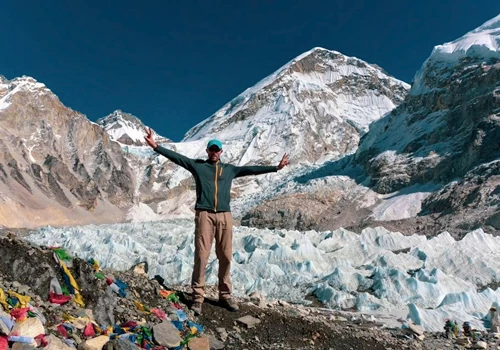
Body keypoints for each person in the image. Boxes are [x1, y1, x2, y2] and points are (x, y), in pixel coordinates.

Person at [144, 128, 289, 315]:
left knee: (226, 256)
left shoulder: (229, 170)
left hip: (224, 216)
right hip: (205, 214)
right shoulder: (198, 166)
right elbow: (178, 158)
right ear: (207, 151)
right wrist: (156, 146)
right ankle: (197, 298)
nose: (214, 152)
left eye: (217, 150)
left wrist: (276, 168)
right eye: (211, 149)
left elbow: (251, 169)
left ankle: (225, 295)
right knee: (202, 256)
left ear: (221, 152)